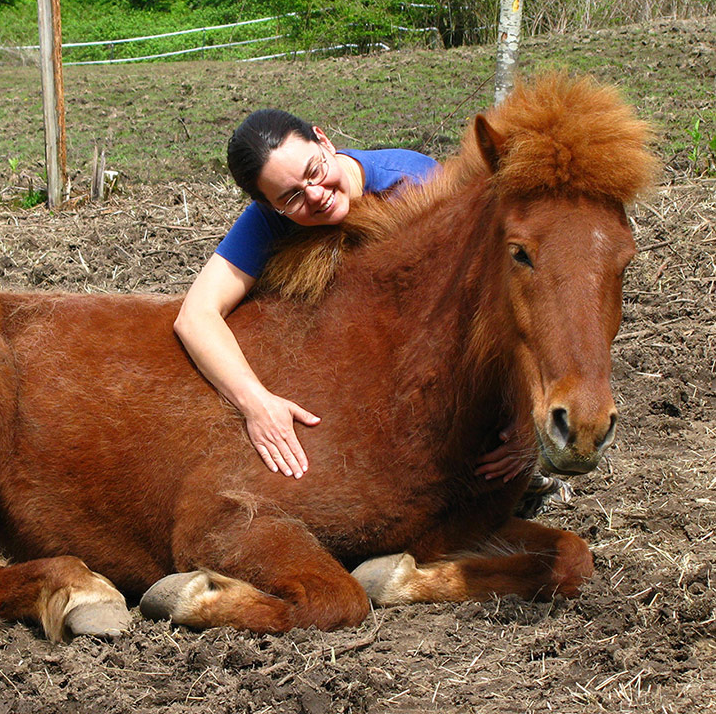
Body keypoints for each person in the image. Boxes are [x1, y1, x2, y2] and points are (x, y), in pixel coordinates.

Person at [174, 108, 551, 503]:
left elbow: (488, 307)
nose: (315, 195)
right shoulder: (268, 220)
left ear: (324, 140)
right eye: (291, 196)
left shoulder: (417, 181)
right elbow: (196, 314)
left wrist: (523, 415)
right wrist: (257, 405)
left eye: (314, 171)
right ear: (269, 205)